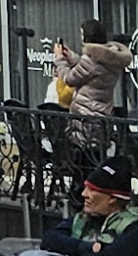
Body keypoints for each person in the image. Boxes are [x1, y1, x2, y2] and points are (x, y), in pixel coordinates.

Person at [32, 165, 138, 256]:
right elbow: (49, 240)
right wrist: (88, 248)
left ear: (112, 198)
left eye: (92, 190)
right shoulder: (84, 218)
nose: (84, 194)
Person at [50, 20, 127, 171]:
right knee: (95, 161)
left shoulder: (90, 61)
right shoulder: (110, 59)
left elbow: (69, 79)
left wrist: (60, 59)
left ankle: (80, 192)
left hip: (85, 118)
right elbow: (90, 70)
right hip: (102, 116)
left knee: (82, 166)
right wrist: (71, 56)